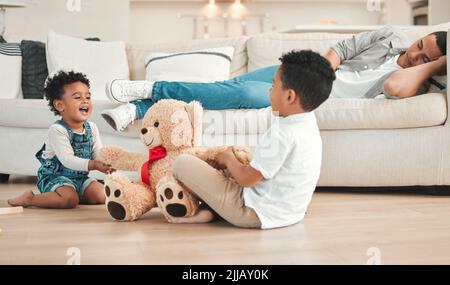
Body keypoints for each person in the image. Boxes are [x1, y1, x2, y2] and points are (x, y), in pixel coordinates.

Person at [101, 26, 447, 132]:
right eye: (420, 46)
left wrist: (434, 65)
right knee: (231, 89)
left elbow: (392, 87)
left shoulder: (417, 80)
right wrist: (322, 71)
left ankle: (149, 95)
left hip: (315, 96)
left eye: (426, 58)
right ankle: (145, 101)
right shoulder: (391, 36)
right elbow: (341, 48)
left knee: (246, 95)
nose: (415, 55)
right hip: (310, 73)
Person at [159, 50, 335, 229]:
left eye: (273, 85)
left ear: (289, 96)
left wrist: (228, 158)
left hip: (251, 212)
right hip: (290, 213)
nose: (269, 90)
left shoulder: (282, 133)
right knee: (229, 167)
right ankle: (210, 212)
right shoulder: (309, 125)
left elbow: (247, 179)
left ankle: (210, 209)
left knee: (182, 163)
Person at [8, 71, 114, 209]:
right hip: (54, 178)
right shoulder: (57, 130)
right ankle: (32, 199)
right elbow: (67, 159)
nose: (85, 100)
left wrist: (106, 162)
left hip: (80, 179)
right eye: (77, 97)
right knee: (68, 200)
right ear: (59, 105)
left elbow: (97, 152)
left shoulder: (92, 128)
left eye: (88, 96)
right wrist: (94, 165)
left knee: (102, 194)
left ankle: (74, 194)